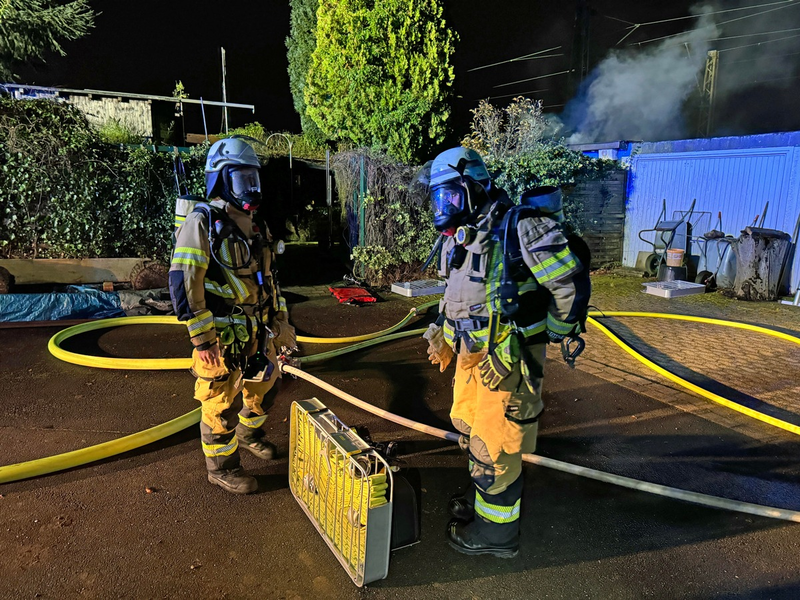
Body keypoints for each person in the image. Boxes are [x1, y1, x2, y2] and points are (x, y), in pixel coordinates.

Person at [422, 147, 590, 557]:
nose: (443, 207)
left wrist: (550, 332)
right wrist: (443, 331)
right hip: (471, 356)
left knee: (493, 450)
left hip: (508, 363)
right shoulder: (462, 235)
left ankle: (497, 535)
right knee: (468, 428)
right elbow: (459, 293)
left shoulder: (521, 228)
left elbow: (569, 284)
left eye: (450, 196)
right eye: (437, 198)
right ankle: (485, 499)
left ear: (474, 188)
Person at [169, 137, 296, 494]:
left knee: (265, 389)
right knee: (219, 406)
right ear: (221, 180)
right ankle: (222, 467)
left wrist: (281, 321)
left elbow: (270, 281)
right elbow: (184, 281)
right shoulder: (203, 222)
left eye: (254, 178)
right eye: (242, 179)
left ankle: (250, 434)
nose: (251, 188)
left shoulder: (257, 226)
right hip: (221, 341)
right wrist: (202, 339)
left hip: (258, 333)